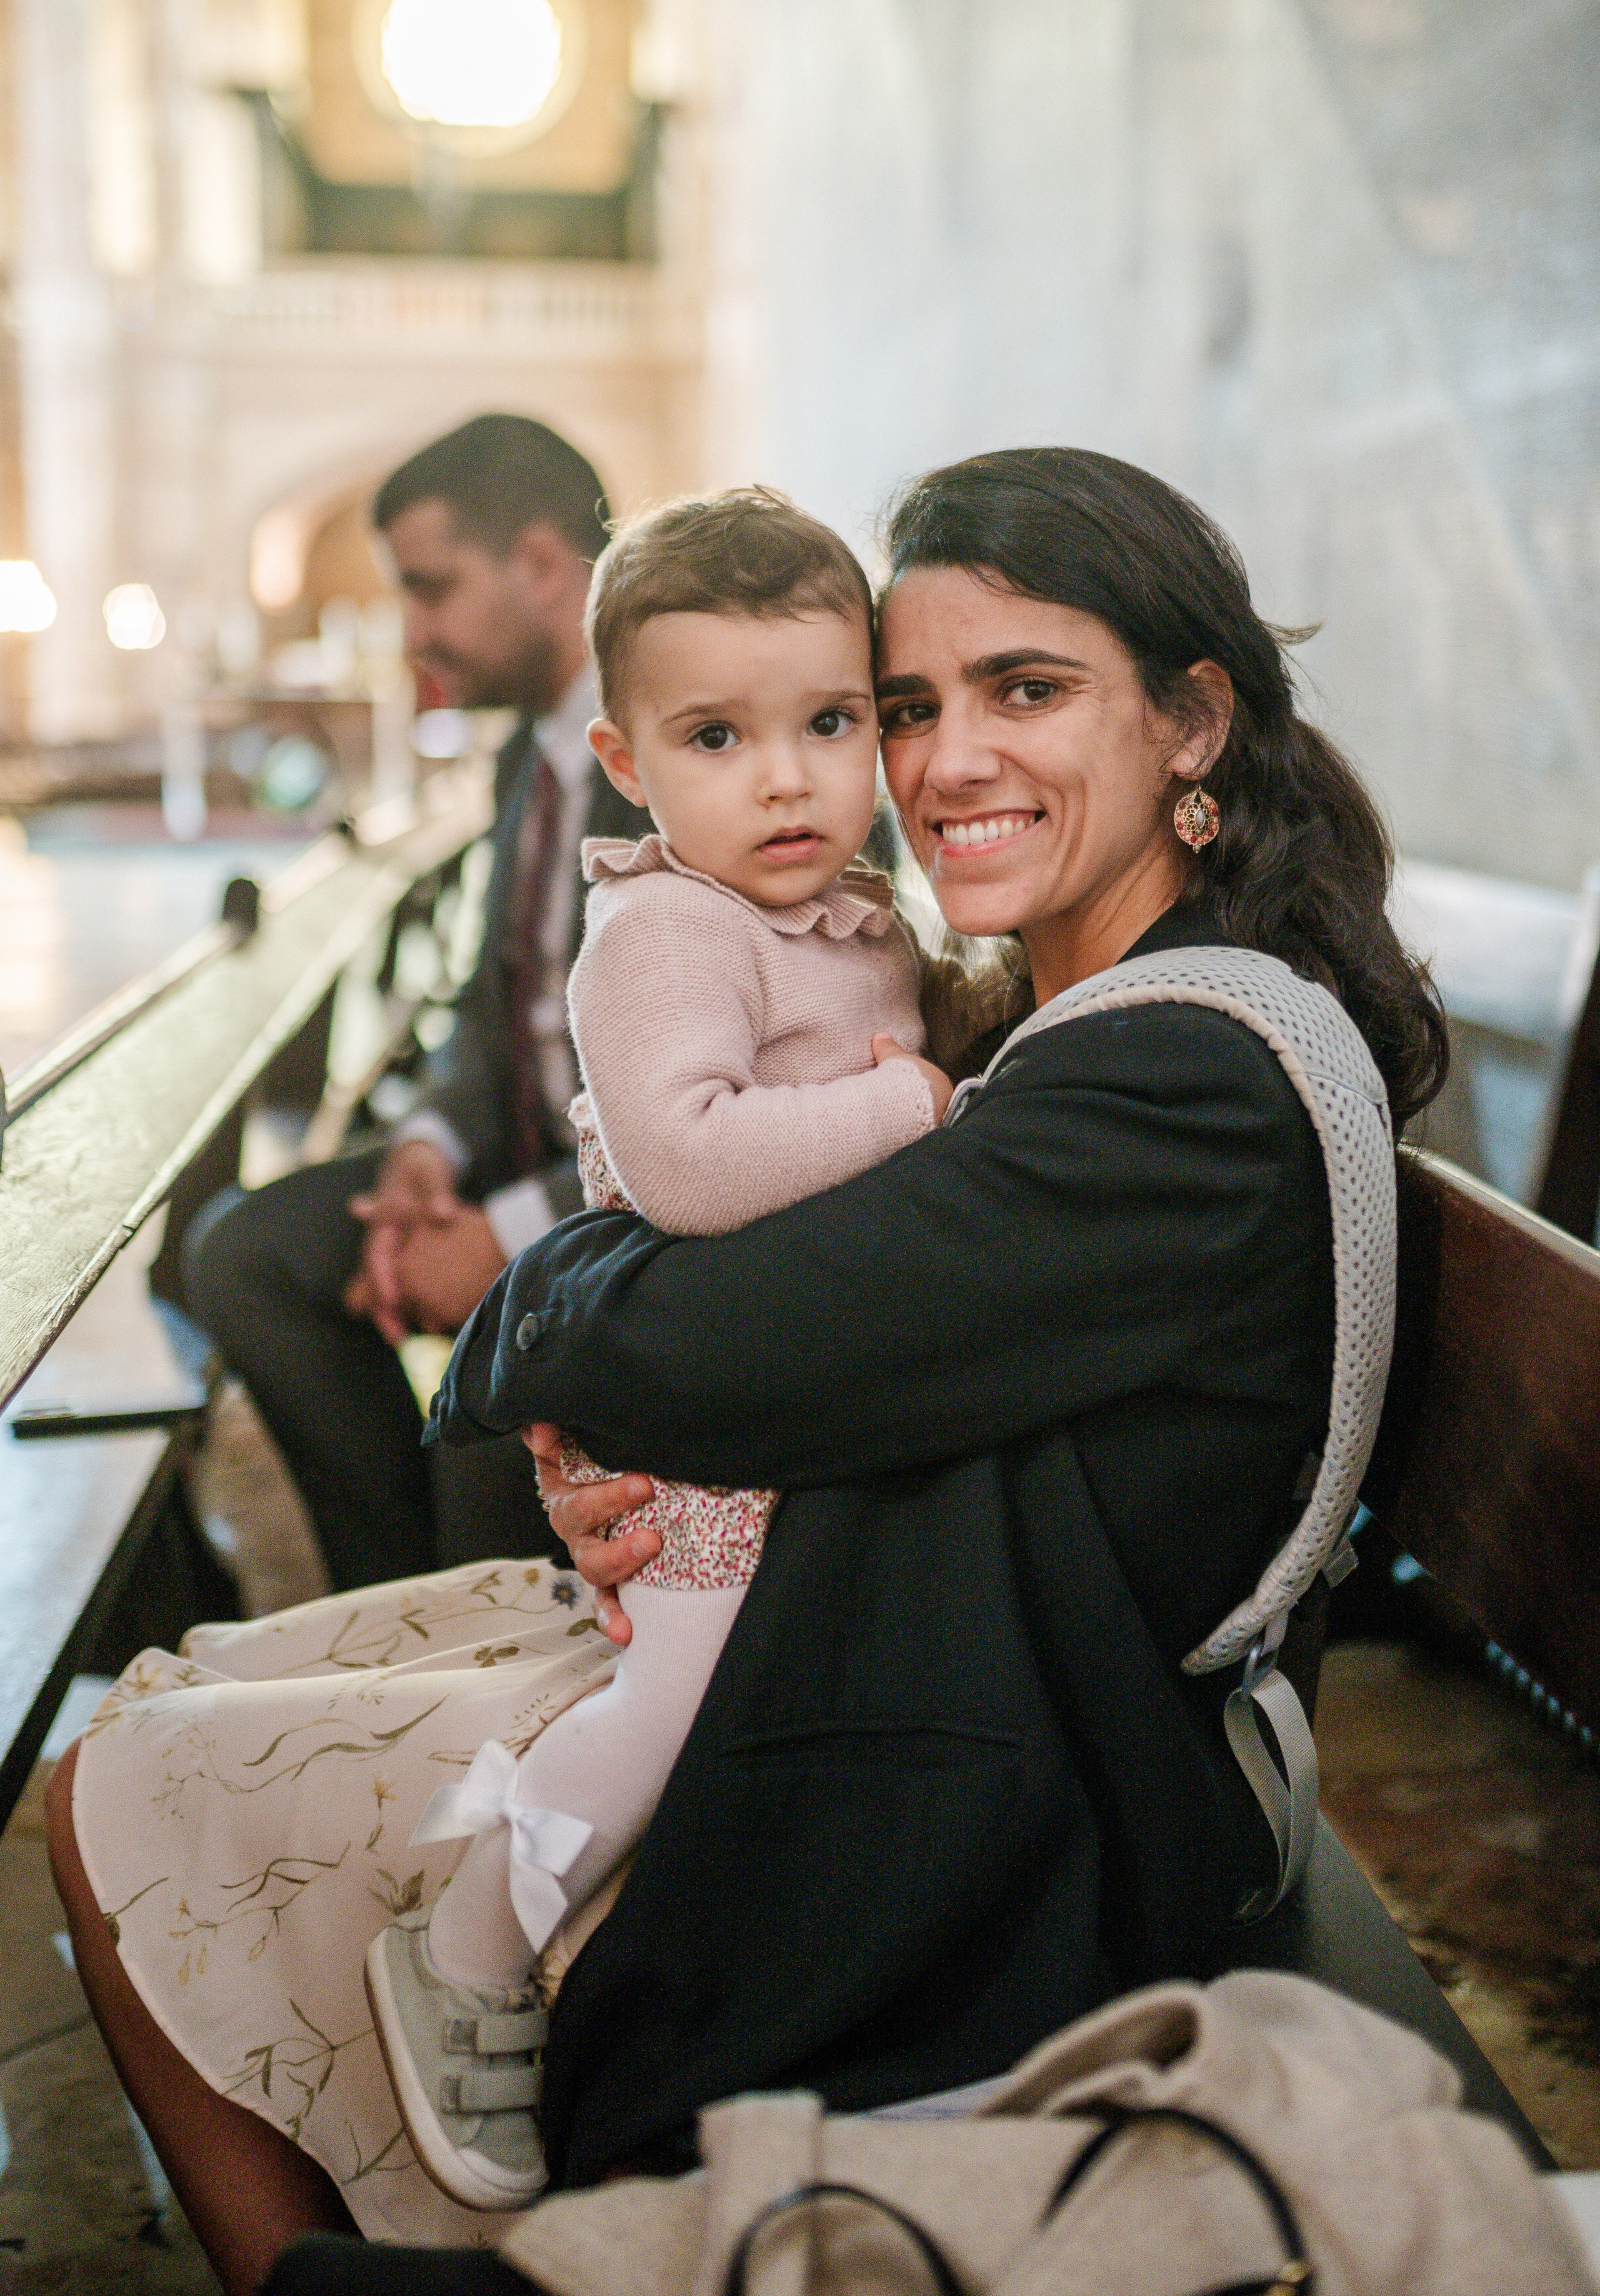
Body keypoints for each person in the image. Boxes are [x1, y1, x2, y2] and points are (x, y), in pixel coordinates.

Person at [46, 447, 1446, 2296]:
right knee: (148, 1747)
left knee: (125, 1788)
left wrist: (552, 1345)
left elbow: (701, 1331)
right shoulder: (1066, 1017)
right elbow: (746, 1313)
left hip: (994, 1807)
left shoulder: (1182, 1080)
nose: (943, 763)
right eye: (911, 706)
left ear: (1192, 722)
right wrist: (610, 1403)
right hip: (880, 1658)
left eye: (1025, 691)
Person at [366, 489, 946, 2210]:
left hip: (790, 1392)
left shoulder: (853, 915)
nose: (786, 781)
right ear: (626, 760)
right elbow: (686, 1166)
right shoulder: (668, 931)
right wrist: (913, 1107)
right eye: (717, 738)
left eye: (829, 724)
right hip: (699, 1419)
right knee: (674, 1701)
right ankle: (467, 1943)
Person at [184, 415, 647, 1590]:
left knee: (483, 1422)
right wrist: (428, 1153)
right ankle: (387, 1594)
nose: (414, 632)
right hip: (506, 1157)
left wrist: (506, 1235)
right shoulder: (523, 757)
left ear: (541, 565)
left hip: (639, 1205)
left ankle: (448, 1593)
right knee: (242, 1255)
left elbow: (721, 1082)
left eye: (431, 588)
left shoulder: (678, 751)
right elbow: (491, 1014)